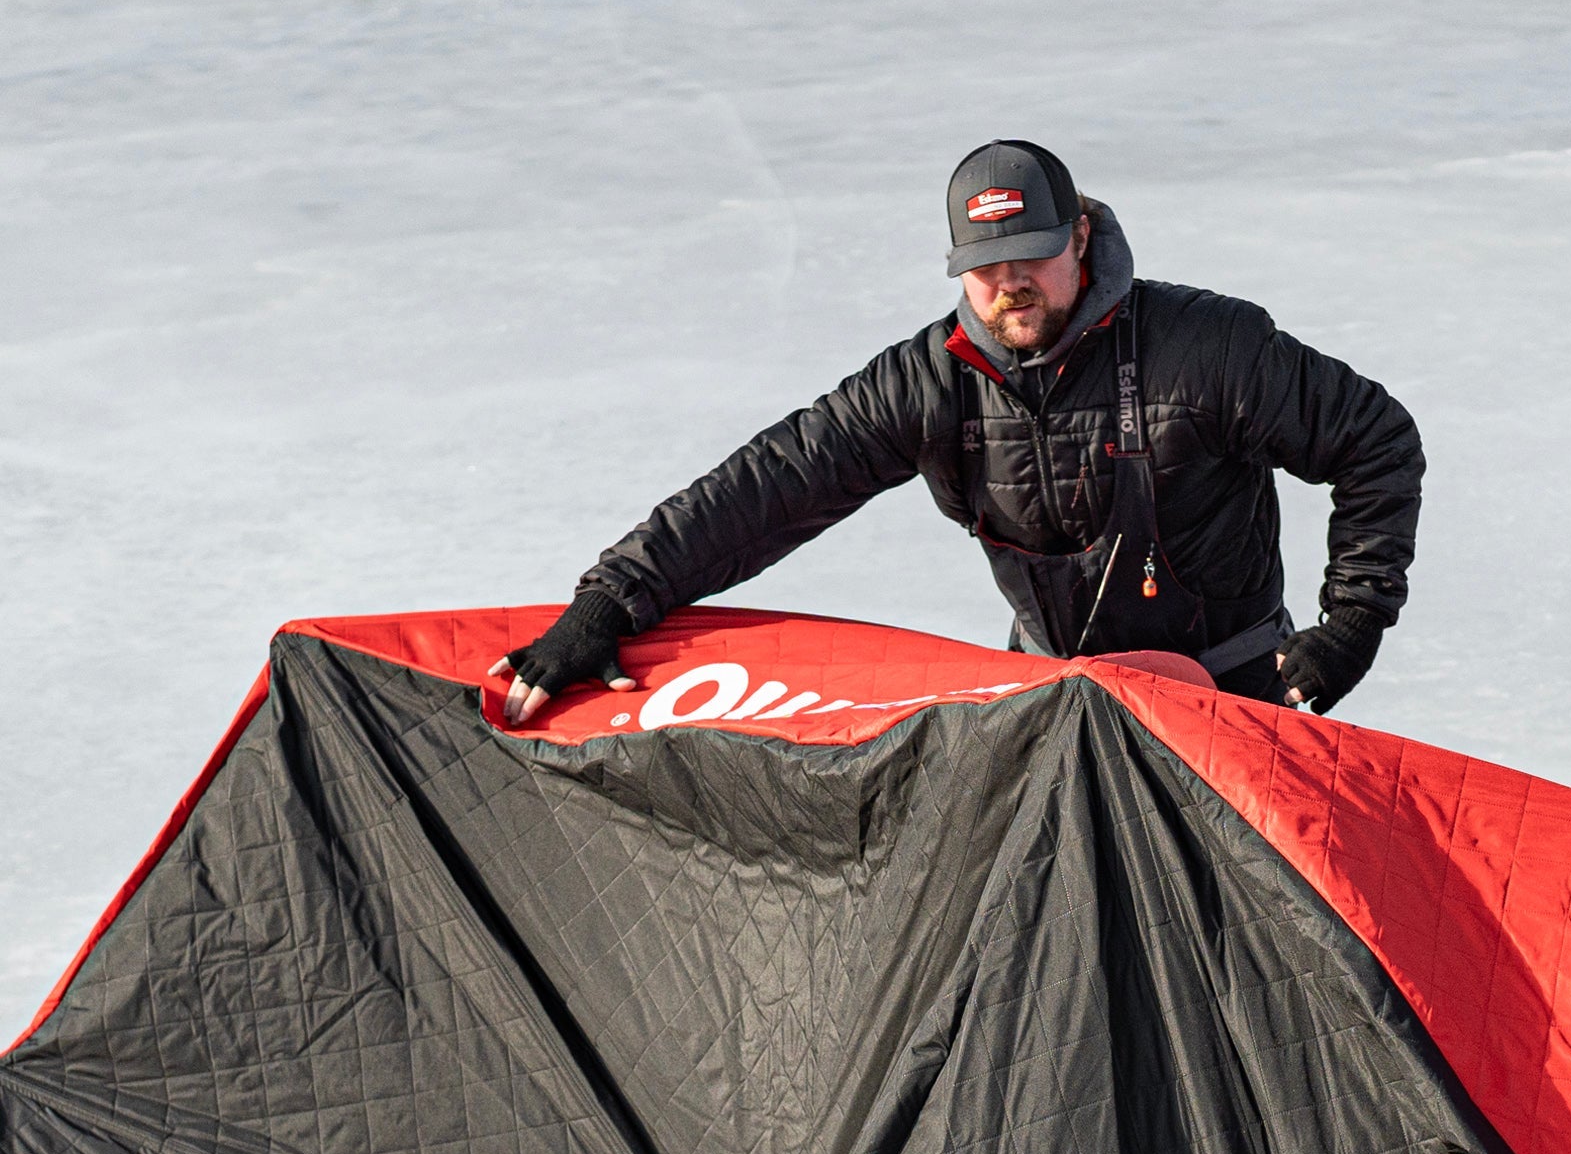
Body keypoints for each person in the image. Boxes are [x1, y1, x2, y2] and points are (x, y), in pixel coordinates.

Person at [494, 138, 1423, 724]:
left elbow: (1376, 441)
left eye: (1033, 256)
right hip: (1057, 712)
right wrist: (609, 605)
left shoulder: (1207, 348)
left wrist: (1349, 627)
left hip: (1233, 704)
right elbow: (772, 486)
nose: (1010, 283)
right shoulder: (932, 382)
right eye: (985, 266)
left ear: (1081, 238)